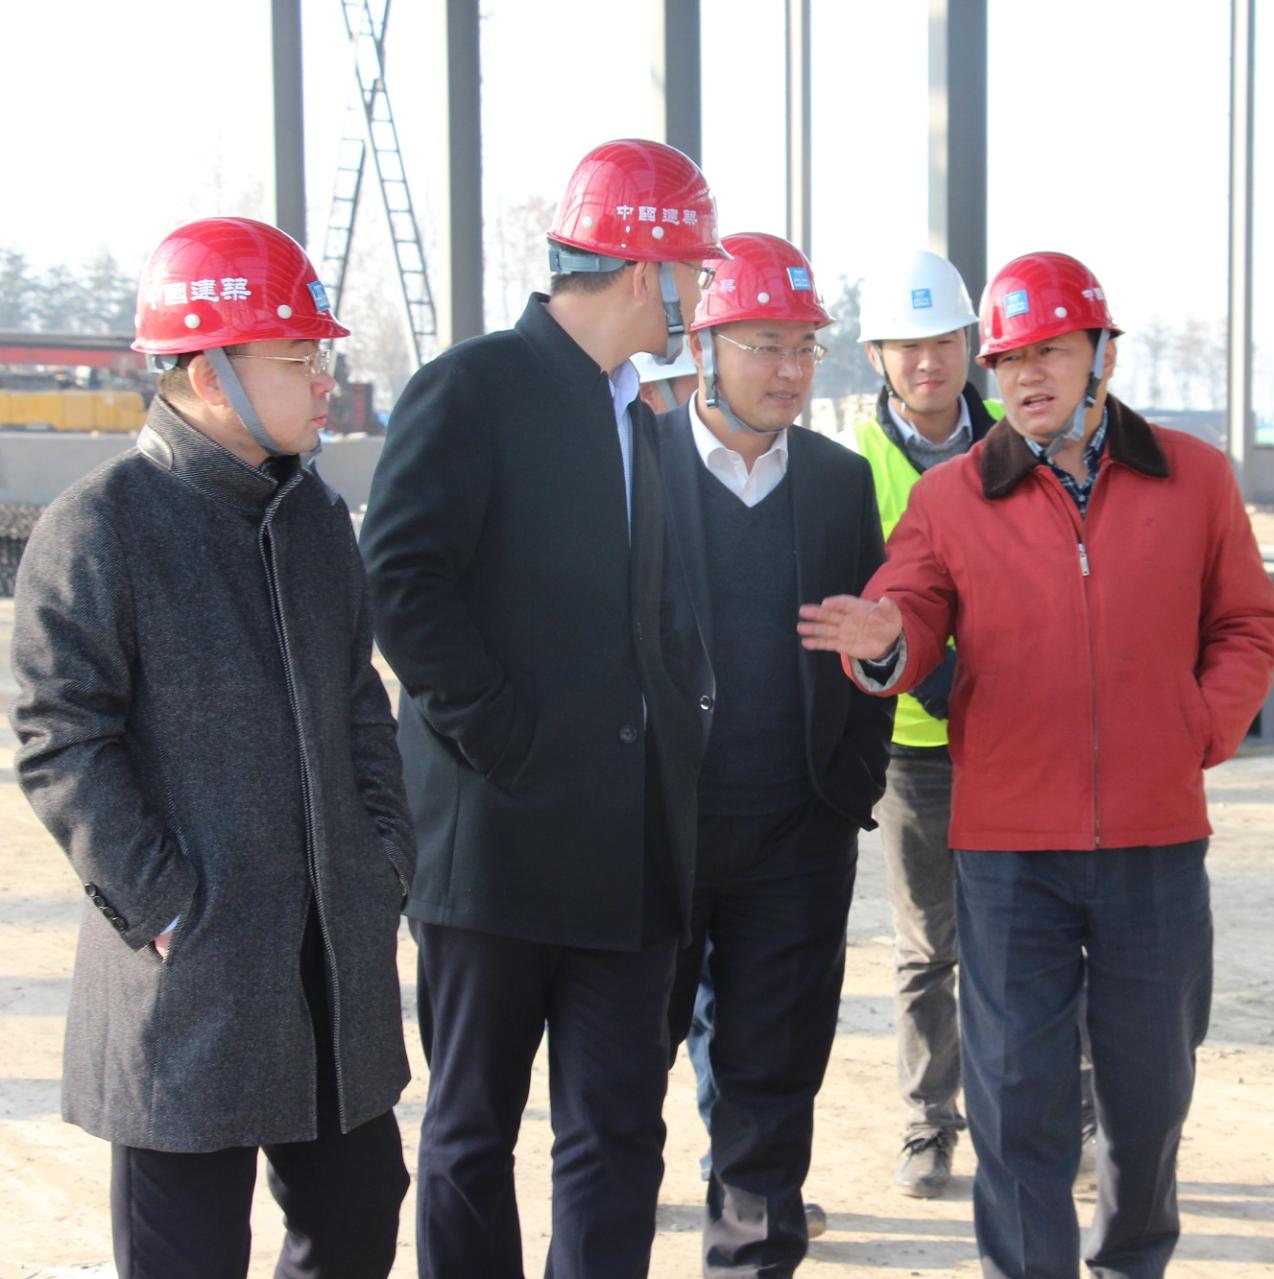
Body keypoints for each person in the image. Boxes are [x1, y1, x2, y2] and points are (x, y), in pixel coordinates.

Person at [798, 250, 1274, 1277]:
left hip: (1155, 839)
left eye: (1051, 352)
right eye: (1011, 358)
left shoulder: (1194, 477)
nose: (1026, 376)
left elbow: (1247, 622)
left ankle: (1131, 1261)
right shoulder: (952, 497)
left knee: (1149, 1095)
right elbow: (911, 608)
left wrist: (1199, 728)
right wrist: (887, 639)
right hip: (1009, 849)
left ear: (1103, 354)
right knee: (1017, 1098)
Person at [10, 216, 413, 1276]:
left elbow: (359, 702)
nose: (325, 381)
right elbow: (60, 734)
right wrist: (163, 903)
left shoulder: (315, 517)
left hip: (330, 961)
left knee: (358, 1222)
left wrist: (381, 859)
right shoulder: (102, 525)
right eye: (299, 358)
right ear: (207, 373)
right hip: (189, 972)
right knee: (184, 1253)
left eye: (321, 356)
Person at [360, 138, 719, 1278]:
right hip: (497, 849)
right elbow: (400, 581)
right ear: (645, 270)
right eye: (695, 271)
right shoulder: (471, 388)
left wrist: (676, 757)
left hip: (627, 860)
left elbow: (660, 616)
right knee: (473, 1130)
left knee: (618, 1132)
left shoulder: (641, 419)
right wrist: (505, 736)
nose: (701, 294)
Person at [654, 231, 892, 1274]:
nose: (790, 370)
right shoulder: (636, 461)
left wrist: (847, 787)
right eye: (764, 344)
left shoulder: (840, 482)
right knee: (617, 1095)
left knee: (772, 1091)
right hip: (654, 841)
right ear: (704, 346)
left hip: (796, 840)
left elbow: (872, 645)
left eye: (804, 346)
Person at [851, 248, 1003, 1197]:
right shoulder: (849, 464)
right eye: (907, 345)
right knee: (927, 947)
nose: (927, 360)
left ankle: (1061, 1110)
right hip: (914, 747)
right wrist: (935, 676)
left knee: (1033, 935)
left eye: (943, 340)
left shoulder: (1018, 446)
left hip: (1015, 739)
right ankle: (928, 1123)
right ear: (876, 354)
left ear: (971, 344)